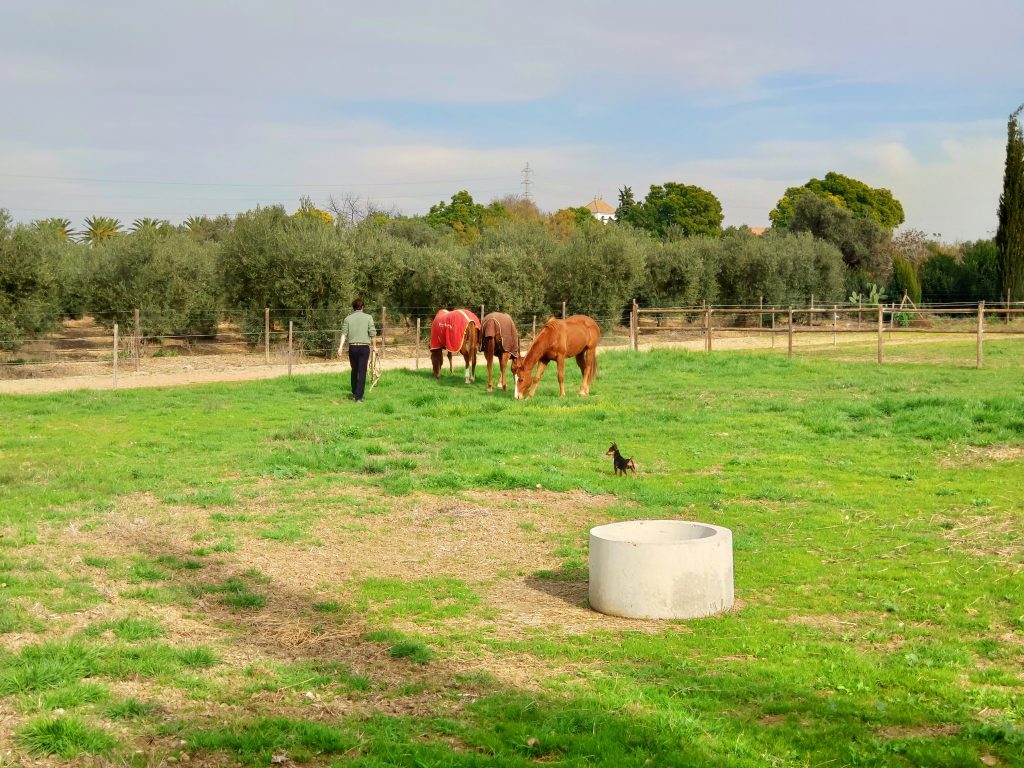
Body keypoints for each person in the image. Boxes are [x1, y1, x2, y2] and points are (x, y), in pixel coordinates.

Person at [338, 299, 378, 402]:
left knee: (354, 370)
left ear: (353, 307)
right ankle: (359, 397)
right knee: (362, 371)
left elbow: (344, 334)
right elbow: (372, 334)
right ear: (362, 307)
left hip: (353, 348)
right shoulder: (369, 318)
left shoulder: (348, 319)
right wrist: (374, 347)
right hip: (364, 348)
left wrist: (340, 347)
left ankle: (355, 391)